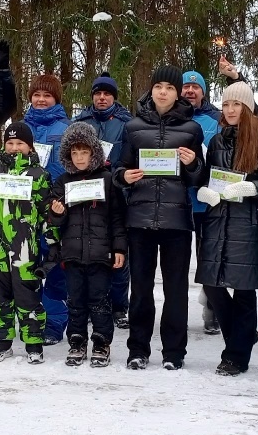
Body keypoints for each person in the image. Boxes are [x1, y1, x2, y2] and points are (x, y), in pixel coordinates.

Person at [115, 66, 205, 369]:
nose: (163, 91)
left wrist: (193, 164)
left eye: (169, 86)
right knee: (140, 289)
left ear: (178, 91)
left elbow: (199, 178)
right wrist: (124, 175)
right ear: (150, 89)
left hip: (176, 221)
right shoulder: (133, 126)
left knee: (175, 290)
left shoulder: (192, 129)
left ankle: (174, 352)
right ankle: (138, 350)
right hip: (139, 219)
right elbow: (118, 168)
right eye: (158, 86)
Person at [194, 82, 258, 376]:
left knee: (243, 289)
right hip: (217, 220)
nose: (229, 110)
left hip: (249, 223)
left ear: (248, 108)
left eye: (236, 105)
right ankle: (242, 334)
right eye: (226, 105)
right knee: (212, 284)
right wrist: (203, 190)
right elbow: (207, 177)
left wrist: (253, 187)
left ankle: (236, 356)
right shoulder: (216, 142)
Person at [50, 121, 128, 368]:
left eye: (84, 152)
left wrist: (119, 248)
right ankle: (76, 341)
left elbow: (117, 217)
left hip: (100, 254)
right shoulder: (62, 181)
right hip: (72, 254)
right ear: (67, 154)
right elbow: (52, 219)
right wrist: (57, 212)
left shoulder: (106, 180)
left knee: (99, 300)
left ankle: (102, 342)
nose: (80, 157)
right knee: (75, 300)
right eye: (75, 152)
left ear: (94, 152)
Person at [0, 122, 54, 363]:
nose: (14, 148)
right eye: (10, 143)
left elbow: (47, 213)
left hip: (25, 247)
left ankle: (34, 342)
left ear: (30, 146)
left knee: (27, 294)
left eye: (20, 143)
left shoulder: (39, 175)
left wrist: (54, 243)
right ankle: (3, 340)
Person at [72, 71, 133, 329]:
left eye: (107, 93)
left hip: (117, 192)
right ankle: (88, 305)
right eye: (98, 93)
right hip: (85, 194)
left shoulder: (126, 123)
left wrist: (116, 170)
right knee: (87, 252)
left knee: (119, 253)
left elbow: (131, 156)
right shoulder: (79, 122)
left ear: (114, 97)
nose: (102, 97)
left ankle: (119, 306)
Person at [22, 73, 72, 344]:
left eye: (47, 95)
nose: (41, 100)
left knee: (53, 267)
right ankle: (31, 319)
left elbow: (75, 168)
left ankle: (54, 322)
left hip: (55, 208)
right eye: (36, 95)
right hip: (23, 209)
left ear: (56, 99)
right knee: (26, 266)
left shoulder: (67, 128)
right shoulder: (19, 127)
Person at [182, 70, 224, 334]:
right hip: (177, 201)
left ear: (203, 92)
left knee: (209, 259)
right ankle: (176, 312)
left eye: (195, 87)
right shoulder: (171, 118)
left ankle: (213, 308)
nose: (190, 91)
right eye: (185, 86)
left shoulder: (216, 119)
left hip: (208, 202)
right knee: (177, 263)